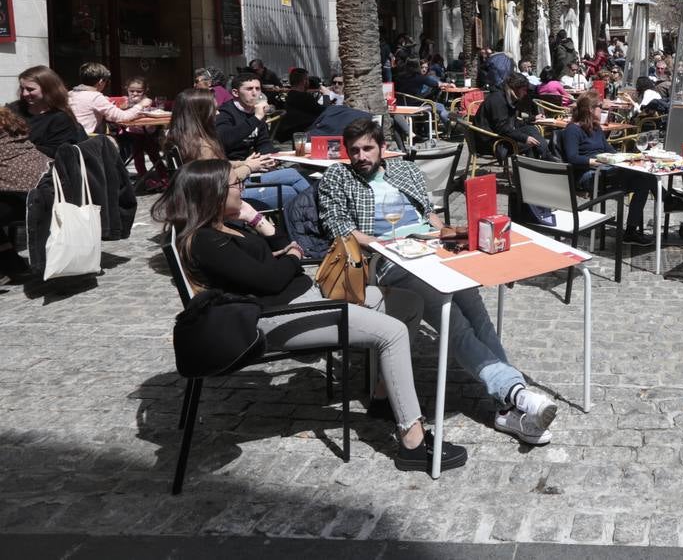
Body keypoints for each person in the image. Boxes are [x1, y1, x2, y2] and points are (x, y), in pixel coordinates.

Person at [154, 159, 465, 474]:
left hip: (305, 298)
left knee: (408, 303)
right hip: (281, 316)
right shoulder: (208, 241)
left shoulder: (227, 224)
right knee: (393, 332)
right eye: (237, 185)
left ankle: (384, 397)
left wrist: (256, 219)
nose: (243, 188)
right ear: (214, 193)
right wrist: (291, 257)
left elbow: (280, 247)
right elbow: (272, 278)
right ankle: (412, 441)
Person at [317, 118, 559, 444]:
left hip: (433, 248)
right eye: (354, 150)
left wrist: (449, 235)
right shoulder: (338, 177)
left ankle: (510, 408)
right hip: (390, 261)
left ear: (382, 148)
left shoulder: (404, 171)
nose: (361, 156)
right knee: (454, 324)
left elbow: (429, 216)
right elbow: (341, 231)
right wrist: (386, 245)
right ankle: (519, 396)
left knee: (478, 316)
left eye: (367, 148)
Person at [170, 88, 308, 210]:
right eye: (214, 110)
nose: (218, 114)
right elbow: (220, 180)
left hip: (220, 190)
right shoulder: (201, 145)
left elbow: (215, 166)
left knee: (293, 174)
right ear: (199, 114)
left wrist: (245, 163)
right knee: (292, 192)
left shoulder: (185, 138)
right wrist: (249, 167)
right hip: (224, 196)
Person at [559, 93, 656, 245]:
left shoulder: (596, 129)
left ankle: (630, 231)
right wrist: (594, 161)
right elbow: (572, 157)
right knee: (646, 178)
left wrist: (628, 157)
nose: (603, 110)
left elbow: (610, 150)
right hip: (588, 175)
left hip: (605, 171)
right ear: (590, 109)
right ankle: (669, 199)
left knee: (645, 179)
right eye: (600, 107)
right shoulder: (573, 130)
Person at [0, 106, 49, 283]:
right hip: (43, 191)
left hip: (27, 200)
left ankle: (9, 264)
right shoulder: (8, 121)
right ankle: (12, 263)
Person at [8, 66, 86, 158]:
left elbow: (56, 151)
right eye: (22, 88)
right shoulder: (13, 109)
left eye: (30, 89)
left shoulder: (60, 118)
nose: (24, 93)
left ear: (47, 89)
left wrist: (17, 148)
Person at [478, 72, 551, 159]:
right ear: (516, 88)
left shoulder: (507, 97)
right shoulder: (497, 100)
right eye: (524, 90)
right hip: (492, 142)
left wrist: (532, 119)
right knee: (532, 144)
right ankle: (541, 162)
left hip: (500, 136)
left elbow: (513, 122)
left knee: (531, 129)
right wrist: (525, 138)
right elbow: (502, 128)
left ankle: (545, 156)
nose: (525, 93)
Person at [68, 61, 152, 134]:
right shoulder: (95, 97)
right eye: (106, 81)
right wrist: (141, 104)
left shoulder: (70, 94)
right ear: (101, 82)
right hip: (87, 140)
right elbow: (123, 117)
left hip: (71, 138)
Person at [117, 76, 169, 190]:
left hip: (148, 133)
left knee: (154, 155)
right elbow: (120, 112)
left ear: (145, 91)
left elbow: (149, 112)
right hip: (134, 133)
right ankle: (145, 179)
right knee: (138, 157)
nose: (135, 93)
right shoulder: (125, 101)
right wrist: (125, 106)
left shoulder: (147, 101)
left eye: (139, 91)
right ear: (127, 89)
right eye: (131, 91)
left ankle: (164, 177)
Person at [274, 68, 323, 142]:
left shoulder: (290, 95)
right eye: (307, 79)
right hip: (303, 133)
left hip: (289, 132)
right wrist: (327, 96)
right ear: (304, 81)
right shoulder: (305, 97)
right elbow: (324, 112)